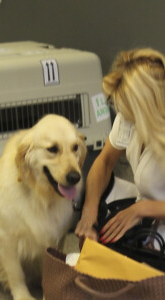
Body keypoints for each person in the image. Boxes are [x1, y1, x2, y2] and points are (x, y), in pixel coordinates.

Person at [75, 48, 165, 245]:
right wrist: (89, 213)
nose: (122, 115)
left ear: (146, 107)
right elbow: (105, 161)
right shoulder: (128, 118)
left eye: (129, 110)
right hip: (146, 217)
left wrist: (141, 209)